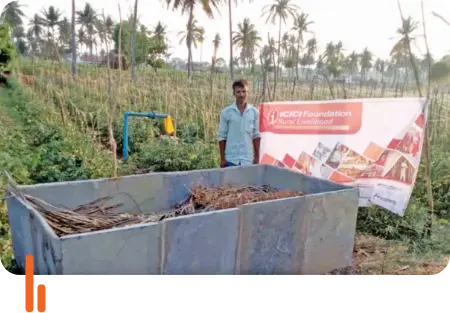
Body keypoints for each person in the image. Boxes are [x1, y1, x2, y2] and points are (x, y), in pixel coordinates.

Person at [217, 79, 261, 168]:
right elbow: (222, 137)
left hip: (248, 160)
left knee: (247, 182)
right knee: (230, 182)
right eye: (238, 92)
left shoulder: (254, 112)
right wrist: (222, 159)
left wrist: (257, 157)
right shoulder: (226, 112)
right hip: (231, 159)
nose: (241, 95)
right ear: (234, 93)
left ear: (247, 92)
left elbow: (256, 136)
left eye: (244, 91)